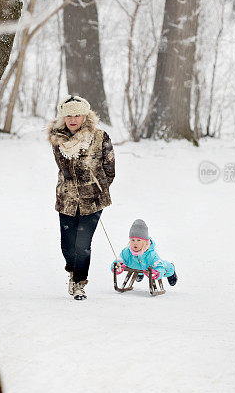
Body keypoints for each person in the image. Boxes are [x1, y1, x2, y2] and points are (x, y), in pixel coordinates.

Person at [48, 95, 115, 301]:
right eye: (69, 115)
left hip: (93, 201)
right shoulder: (58, 139)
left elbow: (110, 168)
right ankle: (72, 269)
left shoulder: (100, 137)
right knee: (67, 245)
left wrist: (97, 188)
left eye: (77, 115)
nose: (73, 119)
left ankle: (79, 283)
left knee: (82, 244)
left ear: (85, 115)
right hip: (66, 199)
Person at [112, 219, 177, 286]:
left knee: (164, 265)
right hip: (138, 266)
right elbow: (118, 261)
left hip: (149, 265)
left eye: (138, 240)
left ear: (145, 242)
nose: (135, 243)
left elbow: (160, 267)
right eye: (132, 240)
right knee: (138, 262)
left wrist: (157, 273)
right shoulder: (126, 252)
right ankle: (140, 273)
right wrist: (116, 267)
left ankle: (172, 271)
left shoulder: (151, 255)